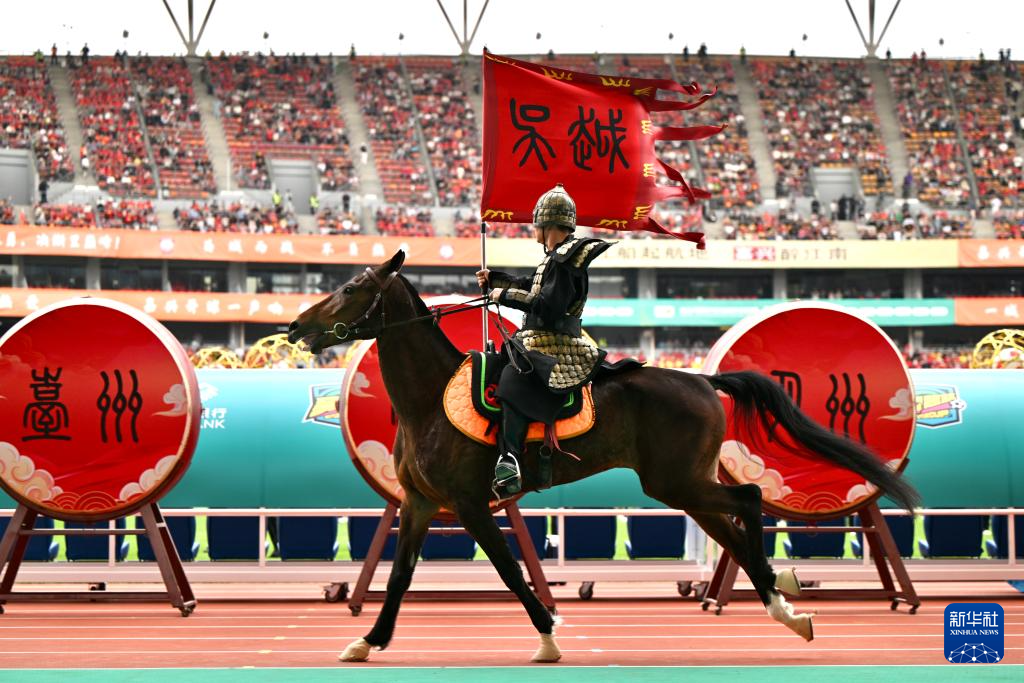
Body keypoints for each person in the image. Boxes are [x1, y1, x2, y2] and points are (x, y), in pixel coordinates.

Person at [476, 184, 612, 499]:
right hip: (538, 339)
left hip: (555, 344)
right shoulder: (555, 259)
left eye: (536, 224)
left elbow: (547, 306)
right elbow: (531, 285)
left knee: (512, 381)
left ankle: (510, 460)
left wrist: (503, 296)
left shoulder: (566, 261)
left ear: (546, 223)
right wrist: (496, 279)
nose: (534, 230)